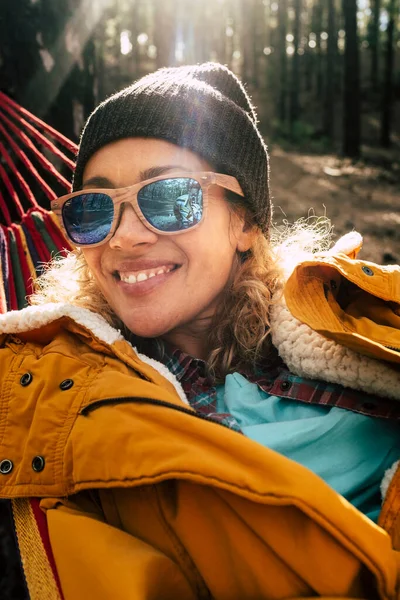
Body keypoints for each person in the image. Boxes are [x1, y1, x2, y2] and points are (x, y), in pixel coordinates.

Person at [0, 63, 399, 600]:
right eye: (95, 210)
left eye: (168, 198)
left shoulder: (358, 324)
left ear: (245, 222)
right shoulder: (58, 403)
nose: (124, 239)